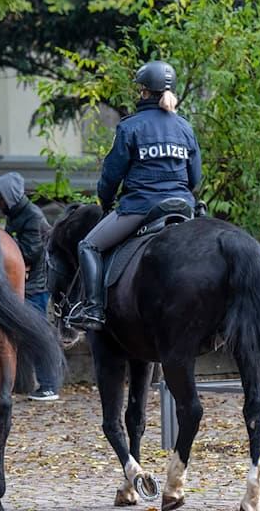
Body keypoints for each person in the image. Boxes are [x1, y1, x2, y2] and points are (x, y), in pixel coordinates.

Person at [66, 60, 202, 331]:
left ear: (144, 92)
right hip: (183, 207)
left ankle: (93, 309)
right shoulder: (184, 127)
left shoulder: (130, 127)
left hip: (142, 207)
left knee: (88, 246)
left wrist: (104, 202)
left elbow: (111, 175)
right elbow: (195, 178)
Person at [0, 172, 60, 401]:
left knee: (36, 334)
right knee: (3, 330)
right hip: (22, 282)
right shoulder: (17, 214)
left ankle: (49, 385)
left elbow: (30, 252)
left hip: (35, 286)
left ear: (8, 197)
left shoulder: (31, 216)